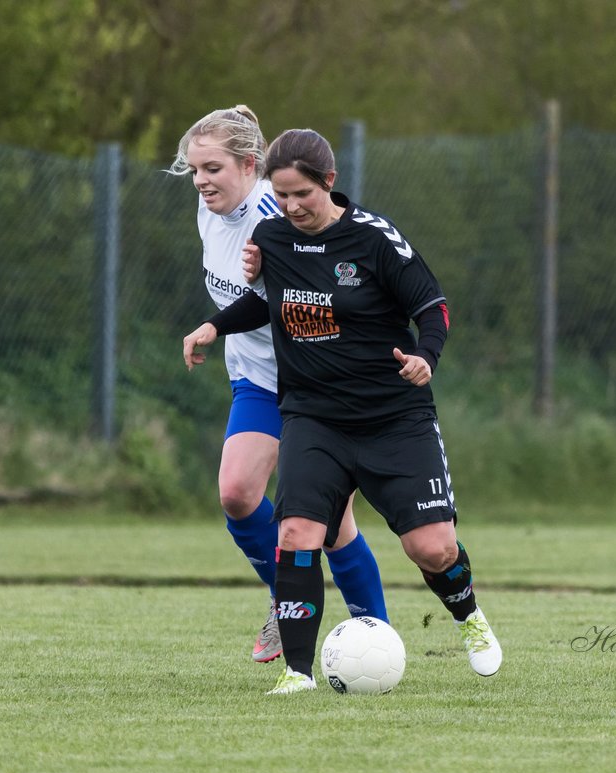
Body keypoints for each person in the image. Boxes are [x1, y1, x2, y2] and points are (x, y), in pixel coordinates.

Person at [182, 128, 502, 694]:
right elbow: (264, 299)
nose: (291, 207)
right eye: (281, 196)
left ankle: (468, 617)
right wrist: (214, 325)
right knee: (297, 532)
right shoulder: (274, 237)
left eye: (301, 194)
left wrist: (426, 356)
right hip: (313, 415)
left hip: (392, 417)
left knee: (431, 547)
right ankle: (297, 673)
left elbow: (433, 306)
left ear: (329, 183)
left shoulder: (376, 240)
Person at [167, 107, 389, 665]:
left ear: (249, 165)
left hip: (318, 380)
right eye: (194, 170)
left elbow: (324, 284)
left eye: (212, 168)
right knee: (238, 493)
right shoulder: (208, 205)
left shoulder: (281, 214)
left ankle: (377, 641)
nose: (201, 181)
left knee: (333, 524)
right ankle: (283, 596)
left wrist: (259, 285)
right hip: (257, 379)